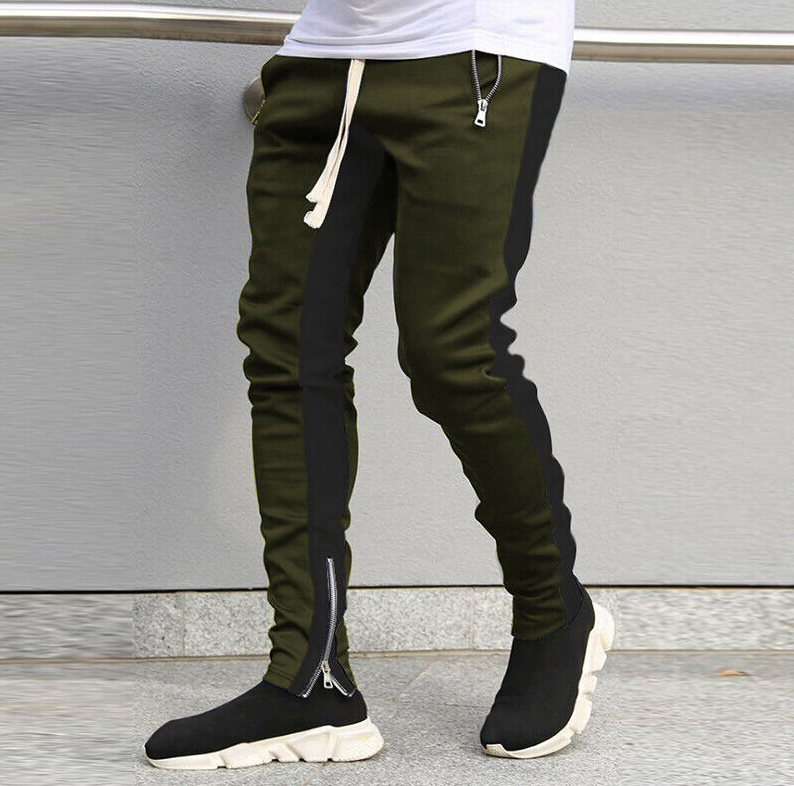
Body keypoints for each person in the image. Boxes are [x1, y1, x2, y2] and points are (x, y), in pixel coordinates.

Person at [145, 0, 614, 769]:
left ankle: (553, 611)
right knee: (287, 351)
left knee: (452, 350)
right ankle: (311, 678)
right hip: (323, 60)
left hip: (474, 54)